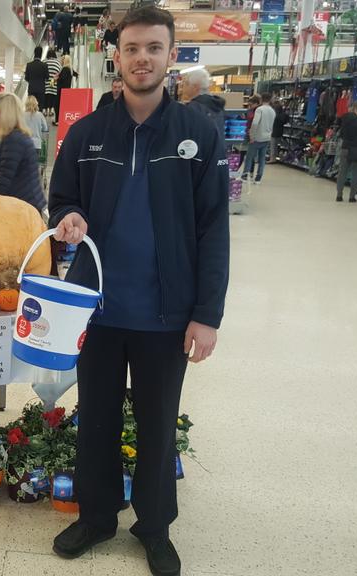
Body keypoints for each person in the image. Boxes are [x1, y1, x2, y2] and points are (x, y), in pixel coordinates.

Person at [48, 6, 229, 576]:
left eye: (154, 47)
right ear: (117, 56)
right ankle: (97, 516)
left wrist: (207, 314)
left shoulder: (197, 135)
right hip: (96, 309)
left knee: (157, 424)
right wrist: (70, 218)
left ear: (171, 55)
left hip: (165, 314)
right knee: (96, 418)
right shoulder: (87, 133)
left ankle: (154, 527)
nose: (142, 58)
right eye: (132, 48)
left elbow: (212, 229)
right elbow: (62, 200)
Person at [0, 93, 46, 214]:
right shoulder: (12, 138)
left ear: (4, 114)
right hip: (21, 206)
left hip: (22, 210)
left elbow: (4, 179)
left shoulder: (14, 140)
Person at [335, 101, 357, 203]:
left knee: (342, 172)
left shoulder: (345, 119)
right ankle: (352, 197)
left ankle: (339, 195)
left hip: (345, 148)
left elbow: (341, 134)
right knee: (356, 174)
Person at [178, 67, 225, 139]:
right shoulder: (216, 106)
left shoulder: (192, 109)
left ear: (195, 87)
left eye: (186, 83)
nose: (182, 88)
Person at [242, 93, 275, 184]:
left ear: (261, 100)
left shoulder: (260, 110)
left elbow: (255, 123)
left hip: (257, 137)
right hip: (267, 137)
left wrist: (252, 135)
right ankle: (258, 178)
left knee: (249, 157)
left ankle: (245, 176)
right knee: (262, 159)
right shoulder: (272, 111)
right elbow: (272, 125)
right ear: (270, 100)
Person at [24, 95, 49, 161]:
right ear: (36, 103)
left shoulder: (22, 114)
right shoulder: (40, 115)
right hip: (36, 144)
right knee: (34, 164)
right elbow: (45, 128)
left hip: (24, 143)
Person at [55, 54, 77, 121]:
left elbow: (62, 79)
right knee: (64, 106)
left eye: (62, 60)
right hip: (67, 90)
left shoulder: (65, 69)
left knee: (58, 106)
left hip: (61, 91)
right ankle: (61, 120)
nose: (61, 61)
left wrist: (57, 78)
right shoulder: (70, 69)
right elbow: (76, 74)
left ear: (65, 61)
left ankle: (58, 120)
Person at [45, 47, 62, 117]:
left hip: (45, 84)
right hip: (54, 84)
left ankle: (45, 111)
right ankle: (51, 111)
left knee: (46, 98)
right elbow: (60, 72)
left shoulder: (44, 61)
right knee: (52, 97)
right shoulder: (58, 63)